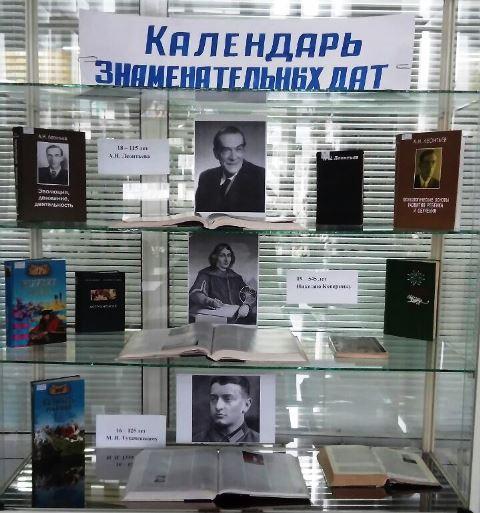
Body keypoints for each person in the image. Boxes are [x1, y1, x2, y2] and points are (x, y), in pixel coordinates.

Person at [195, 126, 265, 213]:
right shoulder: (206, 177)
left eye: (238, 149)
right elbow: (200, 215)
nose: (233, 157)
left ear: (243, 150)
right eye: (226, 150)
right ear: (216, 153)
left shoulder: (260, 177)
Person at [189, 242, 257, 324]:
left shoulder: (236, 277)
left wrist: (247, 305)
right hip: (216, 318)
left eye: (229, 255)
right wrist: (210, 301)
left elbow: (250, 294)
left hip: (237, 317)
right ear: (215, 257)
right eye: (222, 255)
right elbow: (195, 293)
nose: (226, 259)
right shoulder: (206, 274)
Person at [193, 376, 259, 443]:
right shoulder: (196, 441)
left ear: (246, 405)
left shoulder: (258, 441)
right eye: (213, 399)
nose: (218, 406)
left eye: (228, 399)